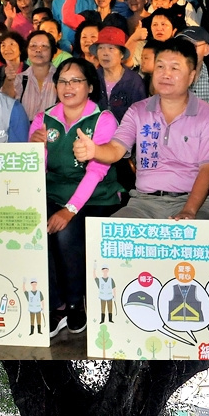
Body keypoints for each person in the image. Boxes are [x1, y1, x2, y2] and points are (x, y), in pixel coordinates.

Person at [73, 37, 209, 220]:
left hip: (198, 204)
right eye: (160, 66)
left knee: (195, 234)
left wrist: (189, 211)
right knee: (111, 234)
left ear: (191, 76)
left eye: (174, 68)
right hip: (144, 204)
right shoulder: (138, 111)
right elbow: (116, 149)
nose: (165, 74)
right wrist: (94, 150)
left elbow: (208, 170)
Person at [31, 57, 124, 335]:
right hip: (53, 191)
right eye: (62, 81)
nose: (67, 86)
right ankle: (53, 302)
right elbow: (35, 169)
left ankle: (73, 305)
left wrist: (69, 209)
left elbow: (95, 173)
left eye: (76, 81)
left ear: (90, 87)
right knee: (31, 226)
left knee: (64, 231)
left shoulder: (103, 120)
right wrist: (34, 148)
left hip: (97, 197)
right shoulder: (43, 118)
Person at [91, 25, 144, 123]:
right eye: (101, 48)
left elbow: (140, 115)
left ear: (122, 54)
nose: (105, 53)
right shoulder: (92, 77)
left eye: (111, 48)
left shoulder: (134, 81)